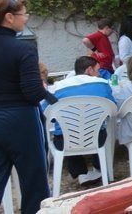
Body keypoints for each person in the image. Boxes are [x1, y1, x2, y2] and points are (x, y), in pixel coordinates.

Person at [0, 0, 55, 213]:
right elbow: (32, 93)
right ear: (9, 18)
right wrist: (44, 91)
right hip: (21, 120)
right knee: (34, 182)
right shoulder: (23, 49)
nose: (26, 18)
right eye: (23, 14)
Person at [46, 56, 117, 186]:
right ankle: (98, 168)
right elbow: (112, 109)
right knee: (99, 125)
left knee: (65, 130)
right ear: (89, 70)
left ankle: (80, 173)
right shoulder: (103, 84)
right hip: (96, 138)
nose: (99, 73)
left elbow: (47, 112)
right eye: (97, 70)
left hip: (65, 141)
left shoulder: (56, 88)